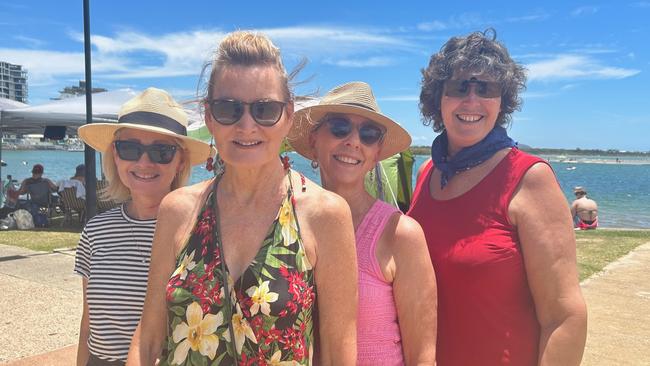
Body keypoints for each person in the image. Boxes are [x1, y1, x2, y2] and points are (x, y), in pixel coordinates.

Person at [127, 31, 358, 365]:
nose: (247, 125)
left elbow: (339, 352)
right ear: (209, 117)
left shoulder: (325, 214)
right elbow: (147, 339)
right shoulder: (178, 210)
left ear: (288, 116)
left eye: (265, 109)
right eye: (228, 109)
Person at [408, 29, 587, 365]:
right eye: (459, 87)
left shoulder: (529, 178)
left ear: (502, 101)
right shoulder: (426, 173)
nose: (472, 100)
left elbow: (564, 315)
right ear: (437, 99)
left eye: (486, 88)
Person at [289, 81, 438, 365]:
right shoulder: (286, 223)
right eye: (339, 127)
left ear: (377, 152)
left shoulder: (400, 234)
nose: (354, 141)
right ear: (313, 139)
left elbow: (423, 358)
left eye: (369, 134)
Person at [74, 87, 213, 365]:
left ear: (180, 161)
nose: (144, 162)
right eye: (130, 148)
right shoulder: (96, 231)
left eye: (161, 151)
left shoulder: (198, 232)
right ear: (115, 155)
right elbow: (89, 322)